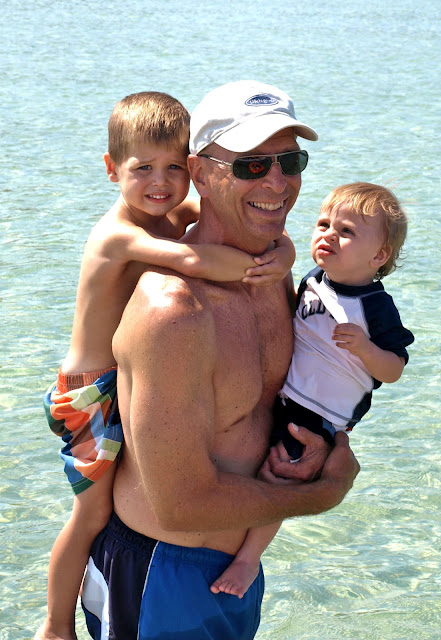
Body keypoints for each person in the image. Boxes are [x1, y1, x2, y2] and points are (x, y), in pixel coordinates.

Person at [79, 80, 360, 640]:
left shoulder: (271, 272)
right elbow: (181, 504)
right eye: (252, 165)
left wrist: (327, 444)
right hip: (161, 575)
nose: (277, 183)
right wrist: (323, 493)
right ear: (201, 174)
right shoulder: (173, 311)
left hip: (237, 568)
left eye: (289, 161)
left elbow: (282, 399)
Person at [36, 90, 297, 640]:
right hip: (87, 393)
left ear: (193, 172)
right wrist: (261, 265)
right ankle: (55, 625)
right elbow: (193, 259)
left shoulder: (170, 212)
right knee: (90, 515)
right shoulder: (118, 234)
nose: (161, 182)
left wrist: (285, 251)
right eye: (143, 169)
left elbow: (239, 216)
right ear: (111, 169)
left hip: (115, 381)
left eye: (174, 168)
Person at [210, 182, 415, 599]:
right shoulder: (313, 280)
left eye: (346, 231)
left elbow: (394, 369)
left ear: (379, 256)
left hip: (320, 415)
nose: (328, 235)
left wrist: (366, 348)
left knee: (280, 478)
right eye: (323, 224)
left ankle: (249, 558)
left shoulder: (375, 306)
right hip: (285, 395)